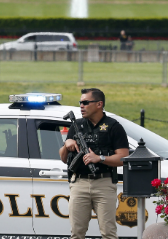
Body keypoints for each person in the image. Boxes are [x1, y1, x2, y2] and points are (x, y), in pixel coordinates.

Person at [58, 88, 129, 239]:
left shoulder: (113, 126)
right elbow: (64, 159)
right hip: (79, 183)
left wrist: (100, 158)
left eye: (85, 102)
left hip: (104, 183)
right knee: (77, 233)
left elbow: (123, 158)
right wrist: (67, 144)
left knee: (108, 233)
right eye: (80, 103)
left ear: (99, 104)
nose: (81, 106)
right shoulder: (76, 125)